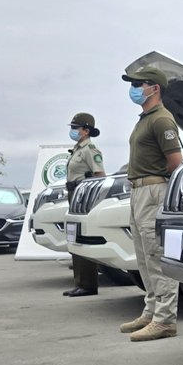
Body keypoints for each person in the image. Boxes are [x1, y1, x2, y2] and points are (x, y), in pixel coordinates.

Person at [117, 65, 183, 342]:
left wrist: (158, 190)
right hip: (138, 192)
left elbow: (176, 162)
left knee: (157, 256)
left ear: (154, 88)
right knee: (143, 256)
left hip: (153, 190)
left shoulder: (161, 120)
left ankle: (165, 320)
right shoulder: (144, 118)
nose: (134, 89)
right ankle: (152, 311)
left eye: (138, 84)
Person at [63, 113, 105, 297]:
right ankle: (80, 282)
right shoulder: (77, 148)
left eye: (76, 128)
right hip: (74, 193)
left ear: (86, 131)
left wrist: (90, 198)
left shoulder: (90, 149)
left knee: (83, 236)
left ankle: (88, 284)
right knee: (74, 237)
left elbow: (99, 175)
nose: (72, 131)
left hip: (83, 195)